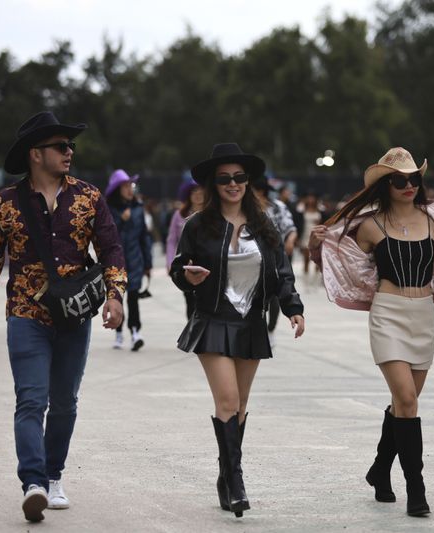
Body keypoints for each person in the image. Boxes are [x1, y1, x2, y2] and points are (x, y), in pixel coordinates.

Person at [0, 111, 126, 522]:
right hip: (25, 314)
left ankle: (54, 476)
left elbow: (110, 248)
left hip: (75, 317)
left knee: (65, 404)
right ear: (36, 154)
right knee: (31, 400)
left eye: (70, 146)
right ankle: (33, 482)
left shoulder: (89, 197)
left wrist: (116, 295)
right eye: (61, 146)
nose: (69, 152)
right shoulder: (5, 203)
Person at [309, 147, 434, 517]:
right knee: (408, 402)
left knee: (404, 403)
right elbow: (342, 257)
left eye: (414, 179)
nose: (408, 185)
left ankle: (379, 470)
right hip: (388, 314)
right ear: (385, 185)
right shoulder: (369, 224)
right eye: (399, 180)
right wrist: (316, 243)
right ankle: (417, 490)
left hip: (424, 316)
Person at [169, 143, 305, 518]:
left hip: (250, 323)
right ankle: (238, 481)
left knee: (241, 406)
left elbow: (281, 272)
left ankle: (225, 475)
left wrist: (293, 308)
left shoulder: (265, 225)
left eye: (239, 177)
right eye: (225, 178)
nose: (233, 184)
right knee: (227, 401)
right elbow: (178, 268)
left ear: (248, 181)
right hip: (212, 319)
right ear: (214, 183)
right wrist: (187, 275)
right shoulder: (198, 224)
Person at [105, 169, 153, 350]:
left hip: (135, 261)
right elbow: (106, 236)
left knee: (133, 297)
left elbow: (144, 238)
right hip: (115, 263)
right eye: (125, 186)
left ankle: (135, 332)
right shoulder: (108, 210)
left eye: (131, 186)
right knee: (117, 297)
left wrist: (147, 263)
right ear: (117, 189)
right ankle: (118, 333)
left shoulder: (138, 209)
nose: (129, 189)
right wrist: (121, 220)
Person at [252, 176, 297, 346]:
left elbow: (290, 227)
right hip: (255, 259)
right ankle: (259, 328)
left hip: (277, 256)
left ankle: (270, 329)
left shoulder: (278, 207)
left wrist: (291, 240)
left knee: (275, 296)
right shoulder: (244, 209)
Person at [166, 178, 205, 319]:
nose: (198, 194)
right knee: (190, 301)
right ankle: (192, 330)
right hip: (185, 264)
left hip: (206, 264)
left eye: (201, 190)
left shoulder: (212, 214)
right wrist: (170, 262)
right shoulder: (180, 215)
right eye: (194, 191)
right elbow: (171, 240)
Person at [297, 192, 323, 277]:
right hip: (306, 233)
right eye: (309, 198)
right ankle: (305, 276)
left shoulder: (320, 209)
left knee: (318, 258)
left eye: (312, 198)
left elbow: (325, 220)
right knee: (306, 257)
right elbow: (298, 221)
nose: (310, 200)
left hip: (317, 234)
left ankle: (316, 277)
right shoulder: (302, 209)